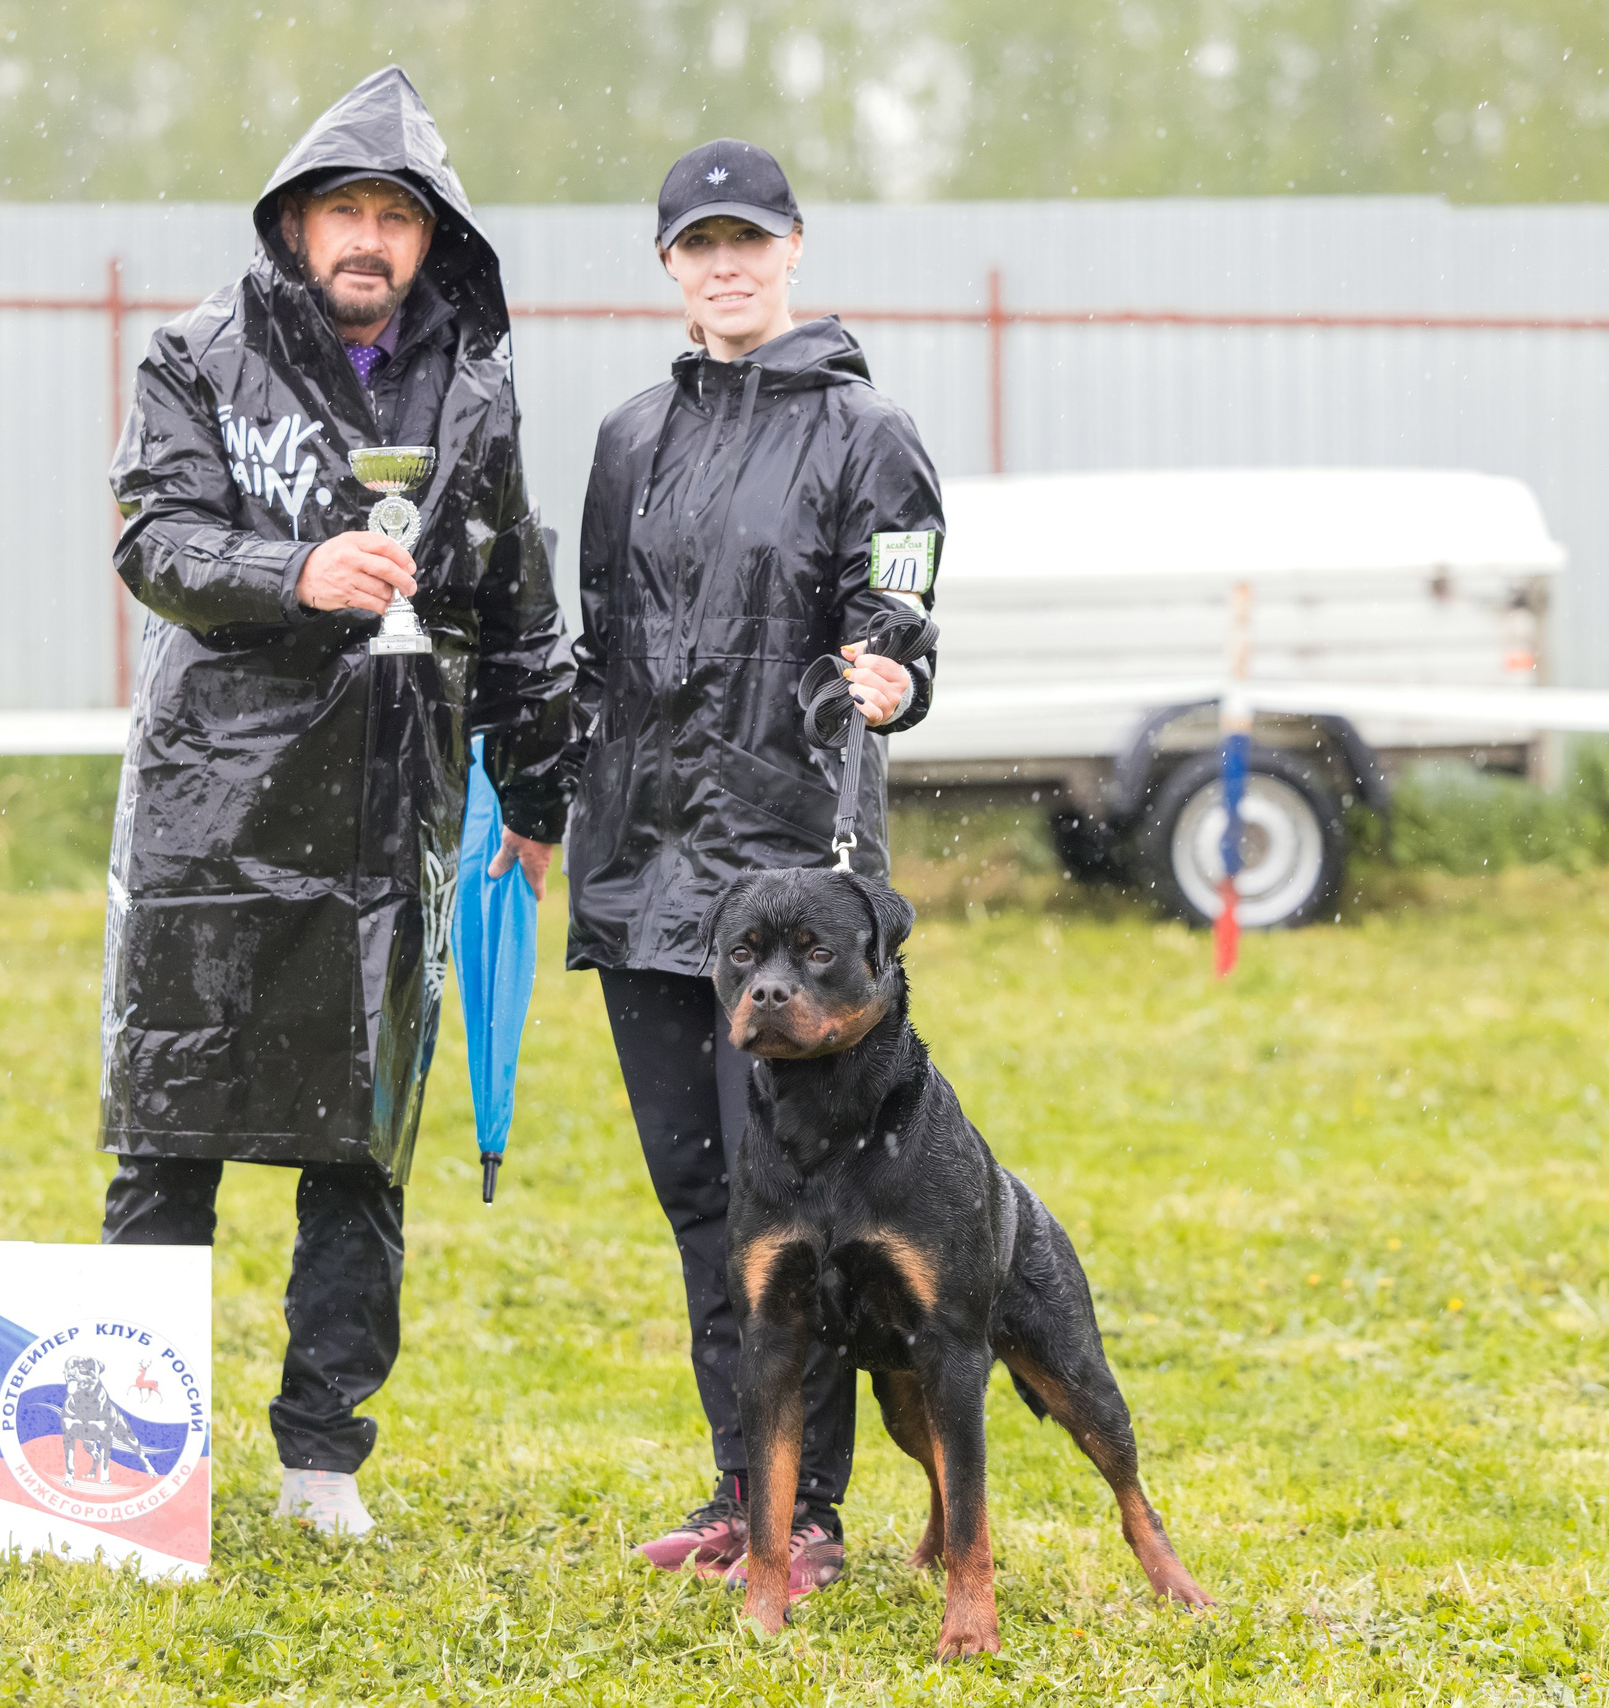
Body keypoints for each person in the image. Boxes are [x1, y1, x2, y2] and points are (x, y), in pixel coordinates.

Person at [97, 66, 570, 1539]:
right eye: (344, 211)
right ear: (295, 224)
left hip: (387, 818)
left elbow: (514, 599)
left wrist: (536, 791)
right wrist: (294, 573)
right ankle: (132, 1446)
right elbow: (157, 539)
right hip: (211, 817)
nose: (369, 238)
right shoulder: (195, 354)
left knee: (360, 1152)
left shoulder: (474, 389)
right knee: (168, 1137)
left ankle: (322, 1462)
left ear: (433, 241)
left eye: (396, 216)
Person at [564, 139, 946, 1599]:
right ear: (668, 264)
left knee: (798, 1208)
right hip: (642, 878)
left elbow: (897, 614)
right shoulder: (628, 439)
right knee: (701, 1199)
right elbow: (601, 647)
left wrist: (893, 680)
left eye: (748, 240)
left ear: (794, 248)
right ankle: (741, 1491)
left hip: (787, 895)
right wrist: (545, 795)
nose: (725, 266)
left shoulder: (869, 433)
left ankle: (814, 1514)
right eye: (698, 244)